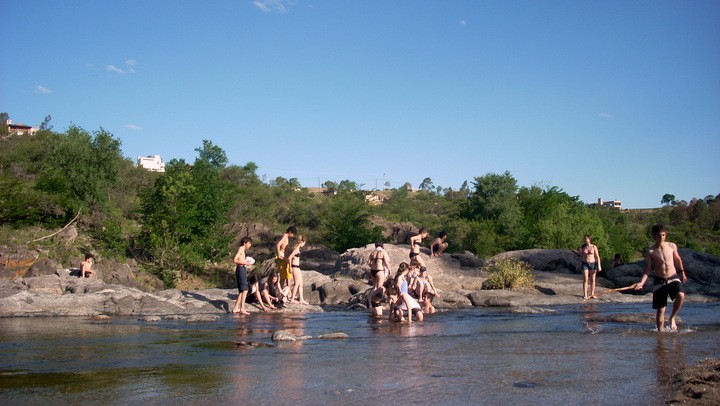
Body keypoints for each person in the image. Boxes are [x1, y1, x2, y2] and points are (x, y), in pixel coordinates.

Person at [633, 224, 687, 332]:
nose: (662, 237)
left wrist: (682, 273)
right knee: (661, 310)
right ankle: (660, 335)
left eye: (663, 235)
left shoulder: (672, 246)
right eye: (659, 235)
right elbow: (648, 269)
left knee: (681, 295)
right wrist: (641, 283)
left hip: (673, 277)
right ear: (654, 236)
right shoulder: (651, 251)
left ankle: (672, 317)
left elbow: (677, 259)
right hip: (660, 280)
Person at [231, 237, 254, 315]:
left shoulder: (242, 250)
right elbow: (235, 260)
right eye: (249, 243)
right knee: (245, 289)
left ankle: (236, 308)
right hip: (240, 269)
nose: (250, 245)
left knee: (242, 290)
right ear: (245, 243)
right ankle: (242, 308)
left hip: (242, 269)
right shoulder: (241, 249)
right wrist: (245, 263)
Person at [577, 235, 602, 300]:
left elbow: (597, 257)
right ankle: (585, 294)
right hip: (585, 263)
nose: (585, 240)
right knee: (585, 278)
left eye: (586, 239)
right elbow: (581, 257)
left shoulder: (594, 247)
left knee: (593, 279)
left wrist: (599, 265)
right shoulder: (583, 247)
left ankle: (592, 294)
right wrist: (578, 264)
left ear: (589, 239)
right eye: (584, 239)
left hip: (593, 263)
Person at [287, 235, 309, 304]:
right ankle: (292, 299)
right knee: (296, 283)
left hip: (297, 267)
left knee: (301, 283)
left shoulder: (298, 249)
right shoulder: (296, 249)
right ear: (301, 242)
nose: (304, 245)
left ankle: (301, 299)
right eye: (304, 243)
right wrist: (290, 267)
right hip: (294, 267)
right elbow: (289, 258)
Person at [275, 226, 297, 291]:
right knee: (285, 275)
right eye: (293, 234)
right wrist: (279, 254)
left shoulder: (285, 236)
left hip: (283, 254)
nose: (293, 236)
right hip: (282, 254)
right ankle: (283, 291)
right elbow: (278, 245)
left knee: (284, 276)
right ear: (290, 232)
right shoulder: (285, 236)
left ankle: (283, 291)